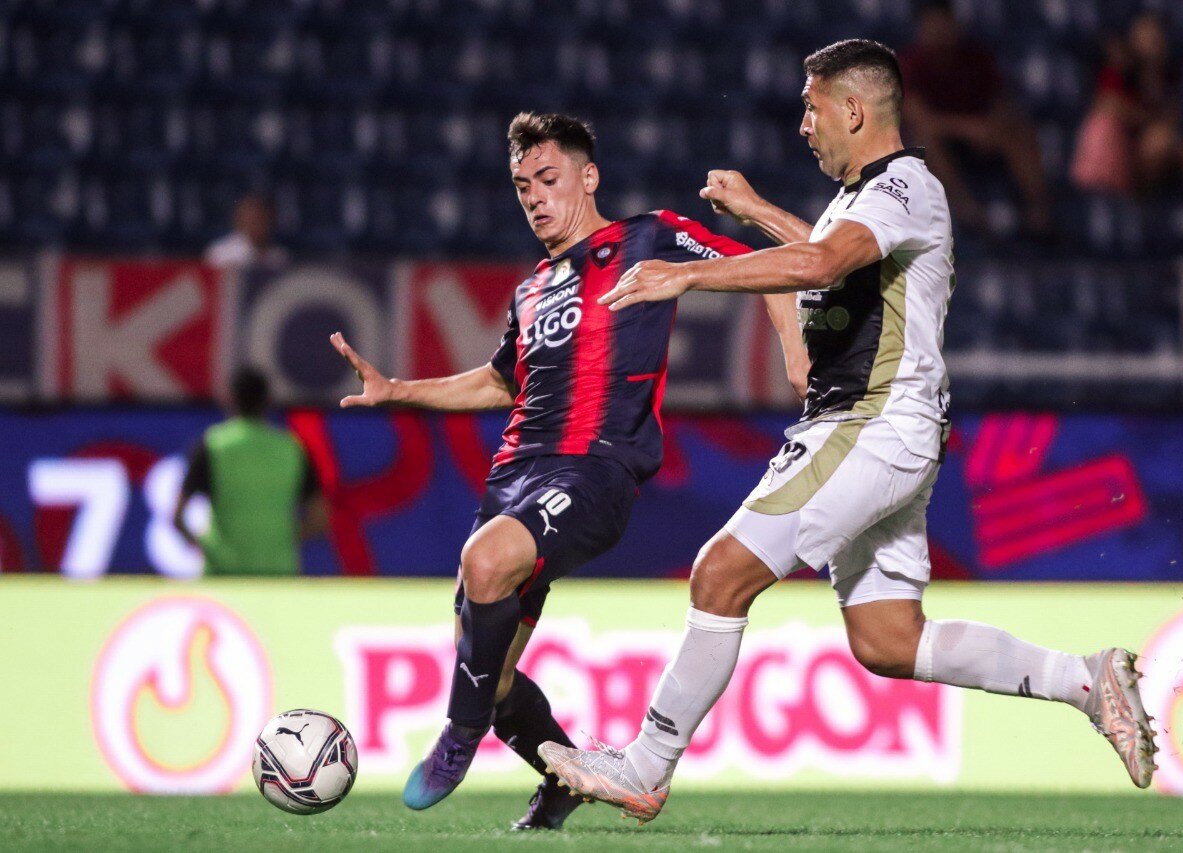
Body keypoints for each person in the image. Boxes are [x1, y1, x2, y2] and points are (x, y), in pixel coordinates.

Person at [539, 39, 1156, 824]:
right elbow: (831, 252)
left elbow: (825, 262)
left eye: (811, 106)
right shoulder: (864, 198)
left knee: (720, 572)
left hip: (873, 420)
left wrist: (687, 273)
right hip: (883, 426)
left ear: (854, 110)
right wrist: (760, 209)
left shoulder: (905, 184)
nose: (803, 124)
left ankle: (643, 765)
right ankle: (1085, 677)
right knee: (888, 639)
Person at [329, 111, 808, 831]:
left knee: (485, 563)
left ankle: (458, 736)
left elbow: (768, 271)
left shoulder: (648, 236)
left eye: (548, 180)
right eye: (523, 187)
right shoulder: (533, 289)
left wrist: (795, 356)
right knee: (492, 678)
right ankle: (562, 775)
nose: (535, 198)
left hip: (594, 470)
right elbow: (500, 382)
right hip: (512, 476)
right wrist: (399, 390)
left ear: (588, 177)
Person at [1070, 13, 1183, 244]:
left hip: (1152, 161)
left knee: (1180, 146)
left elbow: (1172, 118)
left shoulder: (1170, 77)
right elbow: (1109, 106)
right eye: (1145, 36)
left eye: (1155, 36)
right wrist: (1147, 118)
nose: (1151, 41)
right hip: (1118, 158)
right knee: (1166, 139)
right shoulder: (1118, 71)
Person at [899, 0, 1052, 236]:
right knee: (924, 141)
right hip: (942, 143)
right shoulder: (910, 64)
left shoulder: (976, 58)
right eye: (932, 25)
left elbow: (1001, 103)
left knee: (1019, 130)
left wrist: (992, 127)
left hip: (982, 140)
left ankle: (1039, 213)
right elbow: (921, 119)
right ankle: (967, 212)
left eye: (944, 23)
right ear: (921, 29)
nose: (939, 31)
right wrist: (969, 129)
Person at [174, 367, 327, 575]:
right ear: (267, 400)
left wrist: (204, 547)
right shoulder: (291, 448)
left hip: (223, 573)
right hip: (277, 574)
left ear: (229, 398)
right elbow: (319, 518)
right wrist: (280, 543)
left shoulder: (212, 445)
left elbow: (177, 516)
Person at [204, 193, 289, 271]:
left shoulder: (279, 256)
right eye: (252, 221)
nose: (257, 225)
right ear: (239, 220)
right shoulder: (220, 252)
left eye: (261, 219)